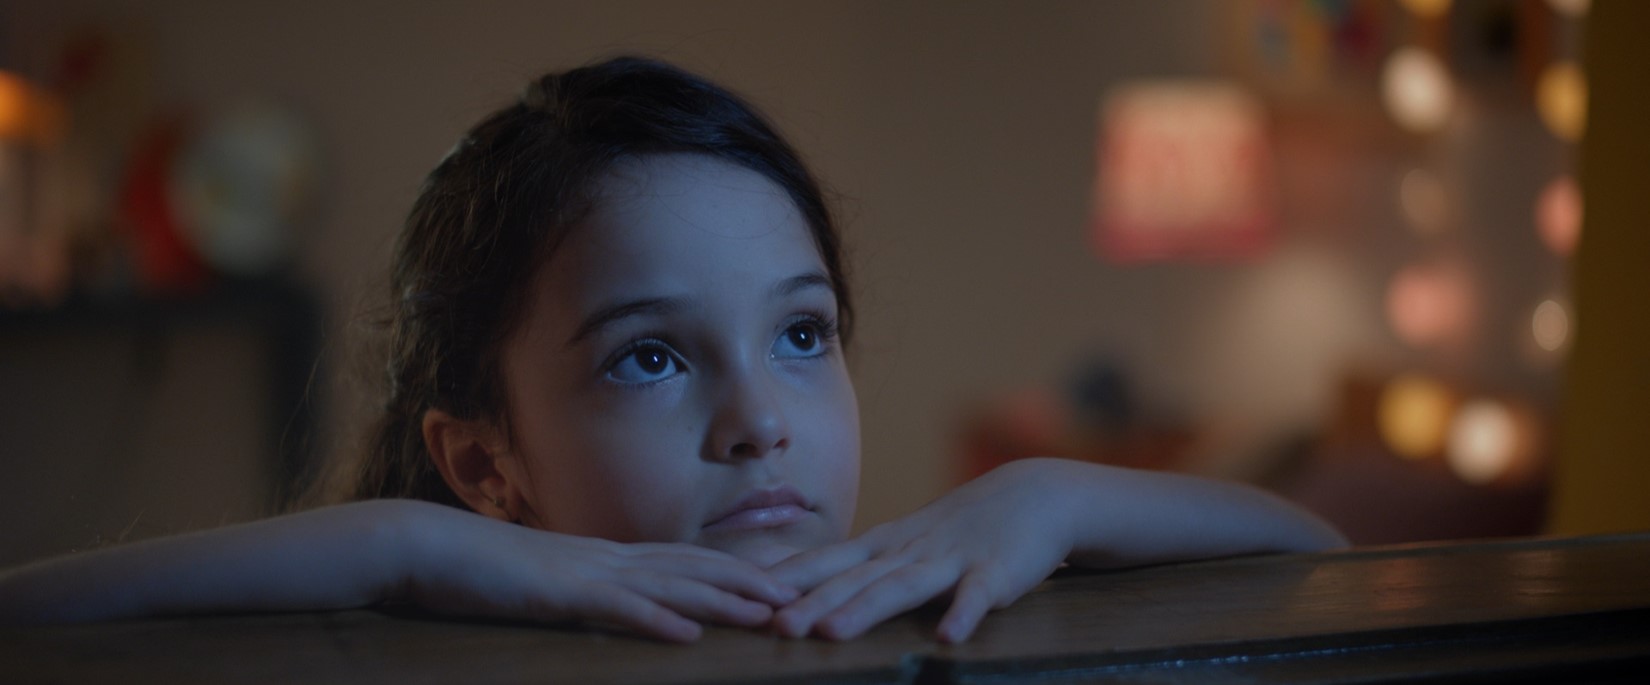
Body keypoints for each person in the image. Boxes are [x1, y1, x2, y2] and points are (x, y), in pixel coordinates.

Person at [0, 56, 1346, 644]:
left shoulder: (909, 595)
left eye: (802, 333)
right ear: (483, 463)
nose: (758, 418)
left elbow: (1321, 569)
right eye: (651, 358)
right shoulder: (451, 614)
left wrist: (1049, 491)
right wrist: (412, 546)